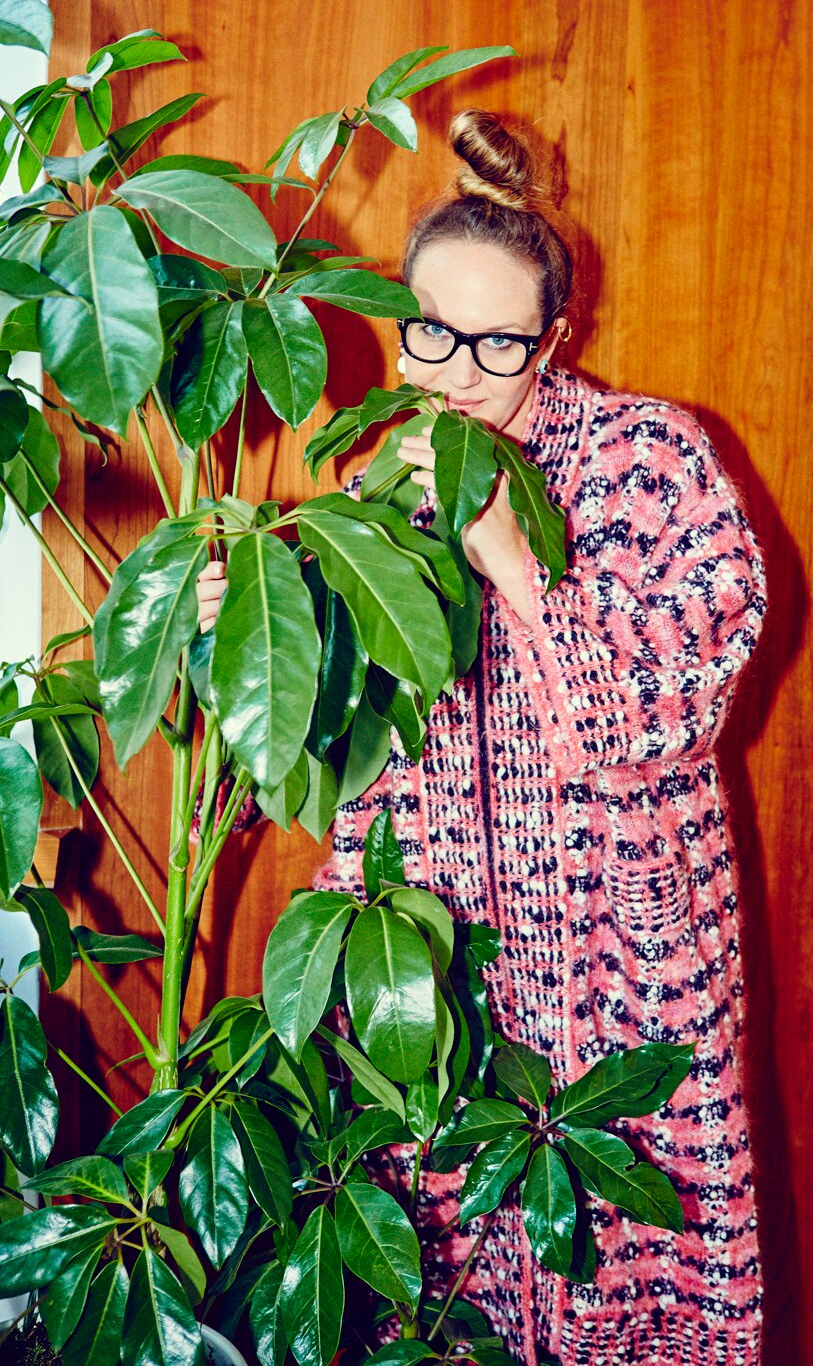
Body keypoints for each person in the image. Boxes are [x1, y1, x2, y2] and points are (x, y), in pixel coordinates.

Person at [198, 110, 767, 1366]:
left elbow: (671, 704)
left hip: (623, 971)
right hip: (434, 962)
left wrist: (513, 560)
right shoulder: (370, 485)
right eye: (432, 333)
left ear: (554, 339)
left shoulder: (653, 458)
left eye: (500, 342)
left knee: (625, 1262)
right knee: (443, 1289)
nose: (456, 374)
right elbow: (320, 745)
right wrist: (244, 624)